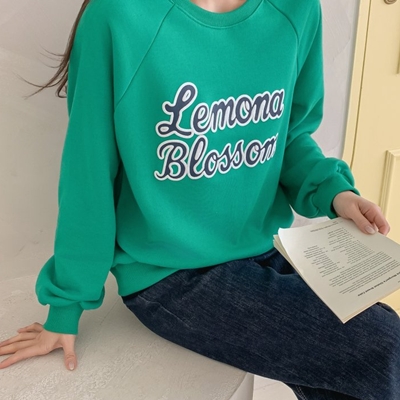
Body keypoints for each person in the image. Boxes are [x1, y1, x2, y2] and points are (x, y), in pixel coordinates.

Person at [1, 0, 399, 398]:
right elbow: (88, 175)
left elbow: (289, 137)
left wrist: (334, 192)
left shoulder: (296, 10)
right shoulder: (118, 17)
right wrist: (66, 306)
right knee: (385, 344)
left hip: (263, 249)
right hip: (168, 277)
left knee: (363, 355)